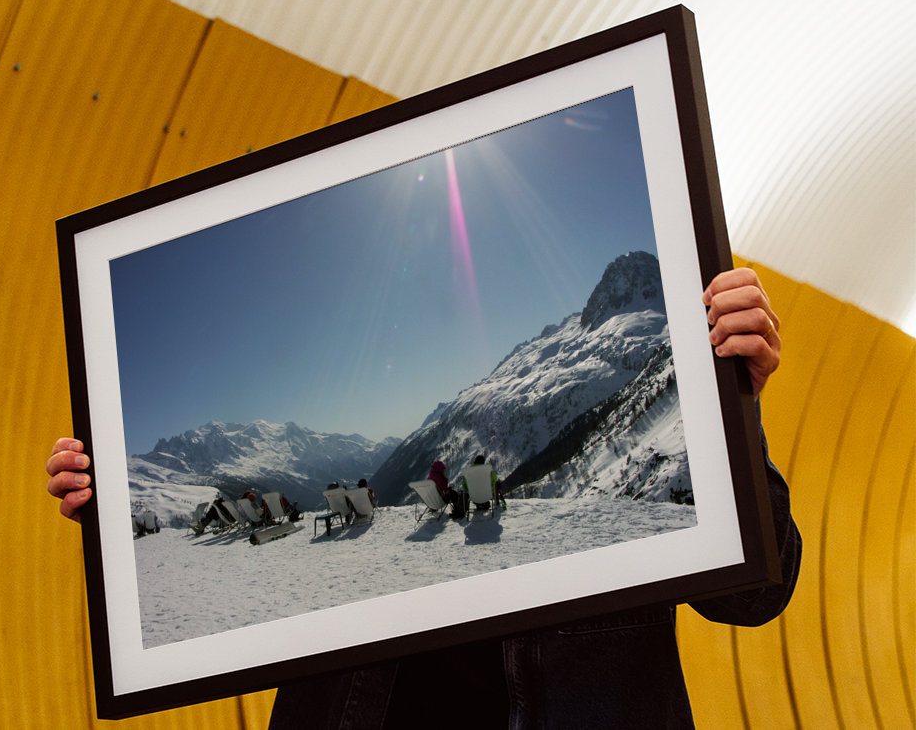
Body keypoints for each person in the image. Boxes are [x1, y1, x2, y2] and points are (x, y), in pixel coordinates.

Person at [46, 268, 799, 728]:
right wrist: (122, 522)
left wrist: (731, 409)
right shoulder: (370, 530)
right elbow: (265, 579)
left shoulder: (684, 357)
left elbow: (757, 593)